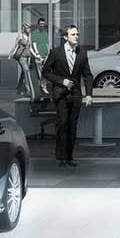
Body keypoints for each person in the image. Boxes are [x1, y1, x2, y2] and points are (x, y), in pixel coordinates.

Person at [41, 25, 96, 167]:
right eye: (73, 34)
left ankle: (70, 157)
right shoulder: (56, 53)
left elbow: (87, 75)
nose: (76, 37)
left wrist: (89, 94)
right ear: (65, 37)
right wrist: (61, 81)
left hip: (76, 95)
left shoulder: (82, 53)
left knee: (72, 126)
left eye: (77, 34)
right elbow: (46, 72)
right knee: (62, 124)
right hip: (61, 94)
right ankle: (61, 157)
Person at [12, 24, 44, 97]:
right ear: (24, 29)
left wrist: (36, 56)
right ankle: (29, 91)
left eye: (29, 28)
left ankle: (19, 89)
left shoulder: (29, 37)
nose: (29, 29)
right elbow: (15, 45)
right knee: (27, 73)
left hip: (28, 58)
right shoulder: (20, 36)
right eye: (27, 28)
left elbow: (30, 49)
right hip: (22, 58)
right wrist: (11, 54)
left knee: (24, 73)